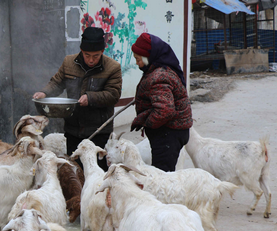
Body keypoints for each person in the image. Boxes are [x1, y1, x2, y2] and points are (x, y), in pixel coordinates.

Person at [33, 27, 122, 171]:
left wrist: (90, 97)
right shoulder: (69, 62)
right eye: (87, 55)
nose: (91, 60)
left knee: (96, 173)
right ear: (81, 50)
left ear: (102, 52)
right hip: (74, 129)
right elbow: (57, 82)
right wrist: (44, 93)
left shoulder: (112, 67)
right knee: (75, 171)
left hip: (99, 131)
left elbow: (113, 94)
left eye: (96, 56)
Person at [130, 32, 192, 172]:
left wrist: (148, 123)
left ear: (148, 57)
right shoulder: (160, 69)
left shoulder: (159, 76)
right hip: (171, 131)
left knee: (163, 177)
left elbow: (165, 110)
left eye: (138, 59)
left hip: (168, 134)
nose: (137, 63)